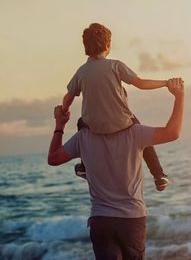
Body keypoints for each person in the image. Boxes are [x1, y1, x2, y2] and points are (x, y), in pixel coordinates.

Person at [48, 77, 184, 260]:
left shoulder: (83, 136)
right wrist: (179, 96)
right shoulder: (135, 131)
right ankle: (159, 175)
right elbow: (172, 132)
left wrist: (60, 125)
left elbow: (54, 158)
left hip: (101, 219)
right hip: (131, 218)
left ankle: (86, 167)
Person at [61, 22, 172, 191]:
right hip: (122, 123)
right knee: (142, 134)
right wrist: (165, 83)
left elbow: (68, 97)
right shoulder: (115, 65)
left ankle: (84, 167)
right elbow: (141, 84)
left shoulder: (81, 71)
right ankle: (159, 175)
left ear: (86, 47)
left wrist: (63, 111)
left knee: (80, 123)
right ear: (107, 44)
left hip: (94, 126)